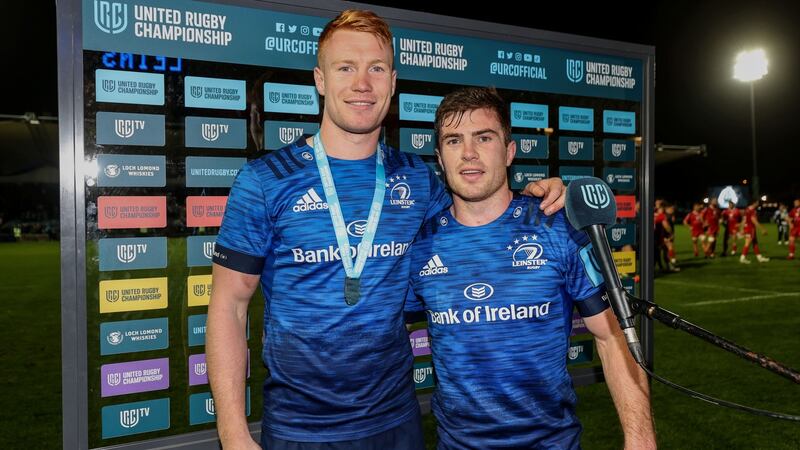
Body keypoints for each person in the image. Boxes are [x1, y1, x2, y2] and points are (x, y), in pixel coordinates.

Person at [205, 10, 568, 449]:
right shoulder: (265, 180)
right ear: (320, 80)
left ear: (393, 83)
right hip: (299, 429)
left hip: (397, 422)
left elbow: (480, 210)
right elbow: (229, 306)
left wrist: (537, 194)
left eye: (376, 68)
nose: (363, 83)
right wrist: (233, 432)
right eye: (346, 68)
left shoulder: (416, 179)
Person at [406, 87, 656, 449]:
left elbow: (611, 336)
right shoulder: (421, 245)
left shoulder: (557, 228)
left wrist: (641, 441)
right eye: (454, 140)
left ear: (509, 152)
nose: (469, 153)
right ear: (440, 159)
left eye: (484, 137)